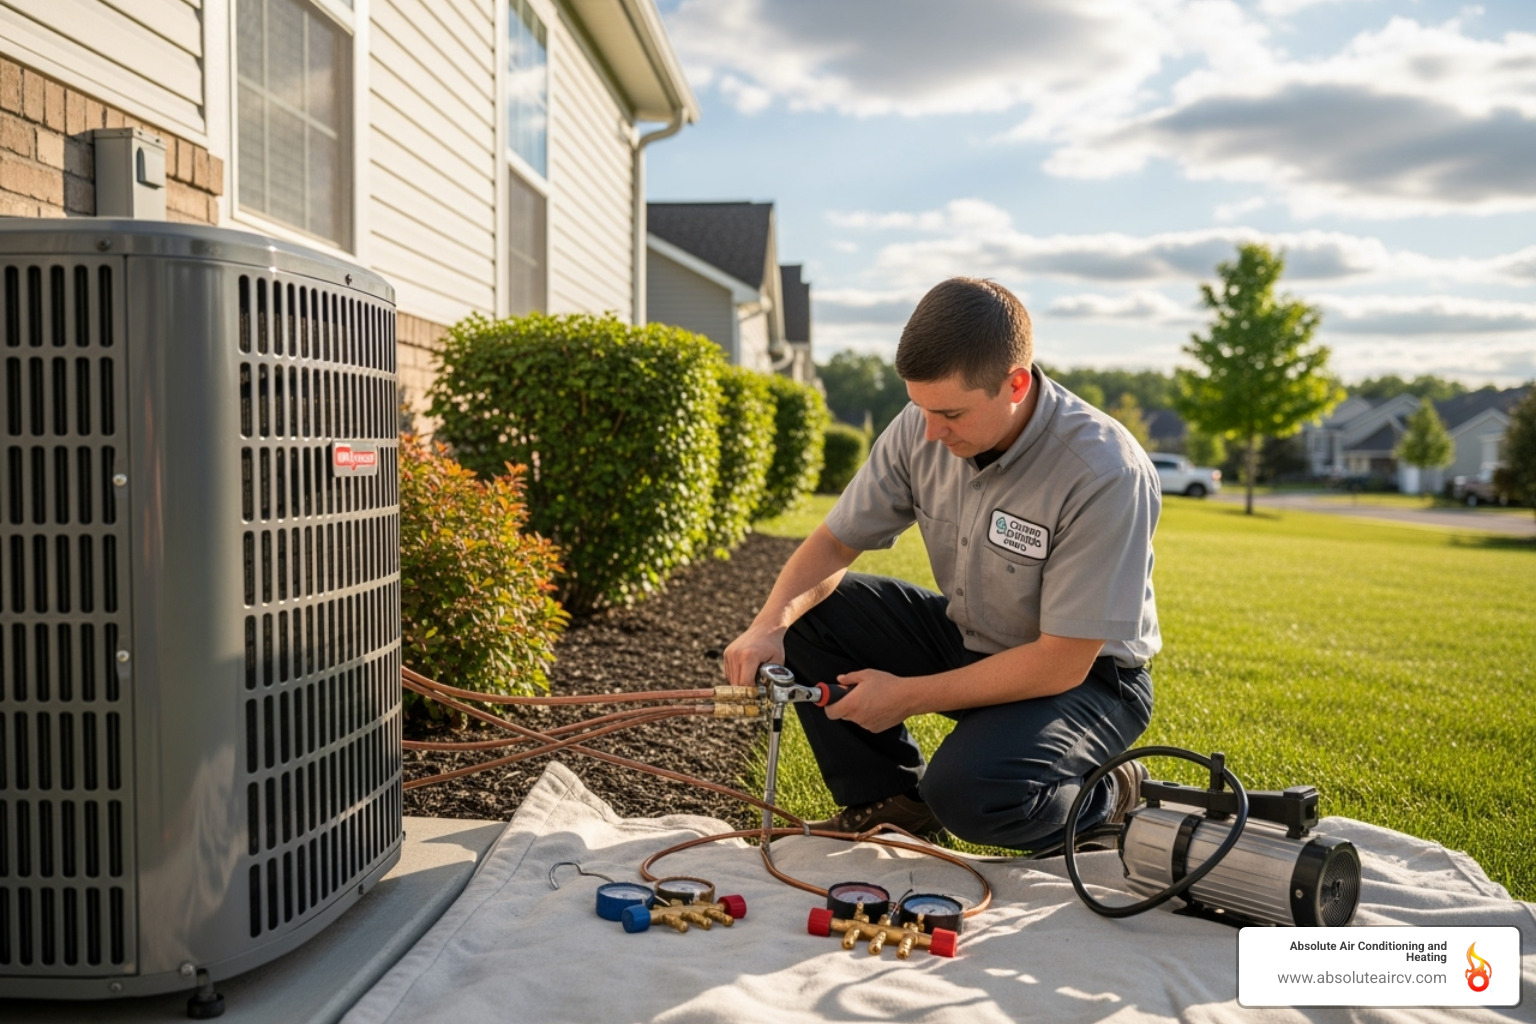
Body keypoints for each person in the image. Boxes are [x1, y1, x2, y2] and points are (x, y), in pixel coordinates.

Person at [722, 277, 1160, 850]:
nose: (929, 431)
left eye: (950, 413)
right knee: (810, 610)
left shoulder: (1104, 472)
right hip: (974, 637)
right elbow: (834, 543)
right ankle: (890, 803)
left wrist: (907, 694)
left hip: (1089, 679)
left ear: (1016, 384)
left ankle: (1111, 792)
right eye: (919, 407)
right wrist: (768, 625)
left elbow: (1060, 664)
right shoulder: (923, 425)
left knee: (969, 796)